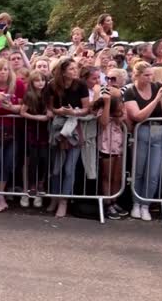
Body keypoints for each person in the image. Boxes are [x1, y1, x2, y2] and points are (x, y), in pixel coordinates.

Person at [124, 61, 162, 221]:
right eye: (146, 75)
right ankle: (135, 204)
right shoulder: (130, 91)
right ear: (137, 75)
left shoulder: (158, 86)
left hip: (160, 131)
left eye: (151, 74)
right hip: (142, 131)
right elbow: (138, 116)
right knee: (138, 171)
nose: (150, 78)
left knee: (153, 173)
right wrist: (156, 99)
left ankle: (145, 204)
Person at [46, 57, 91, 217]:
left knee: (69, 169)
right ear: (63, 71)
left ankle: (63, 201)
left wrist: (74, 112)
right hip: (57, 129)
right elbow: (50, 106)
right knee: (56, 168)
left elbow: (87, 109)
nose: (75, 71)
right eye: (71, 69)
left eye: (75, 68)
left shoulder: (81, 85)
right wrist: (60, 111)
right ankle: (55, 198)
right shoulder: (52, 85)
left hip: (74, 128)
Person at [0, 59, 26, 212]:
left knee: (8, 162)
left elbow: (23, 107)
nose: (2, 72)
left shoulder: (19, 85)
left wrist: (11, 107)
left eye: (5, 69)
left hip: (13, 129)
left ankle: (1, 193)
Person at [91, 92, 127, 219]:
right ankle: (107, 203)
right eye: (120, 102)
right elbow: (104, 122)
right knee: (107, 176)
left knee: (117, 177)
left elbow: (125, 121)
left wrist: (121, 110)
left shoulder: (121, 111)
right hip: (106, 147)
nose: (122, 104)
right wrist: (106, 103)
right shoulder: (103, 110)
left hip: (119, 148)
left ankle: (114, 200)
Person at [19, 70, 51, 208]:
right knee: (33, 160)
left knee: (44, 158)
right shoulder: (29, 95)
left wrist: (50, 112)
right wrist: (37, 117)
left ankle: (40, 185)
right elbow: (22, 112)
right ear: (32, 82)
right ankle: (31, 187)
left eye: (43, 80)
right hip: (32, 131)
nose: (41, 83)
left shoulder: (47, 95)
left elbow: (51, 109)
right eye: (37, 80)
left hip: (44, 131)